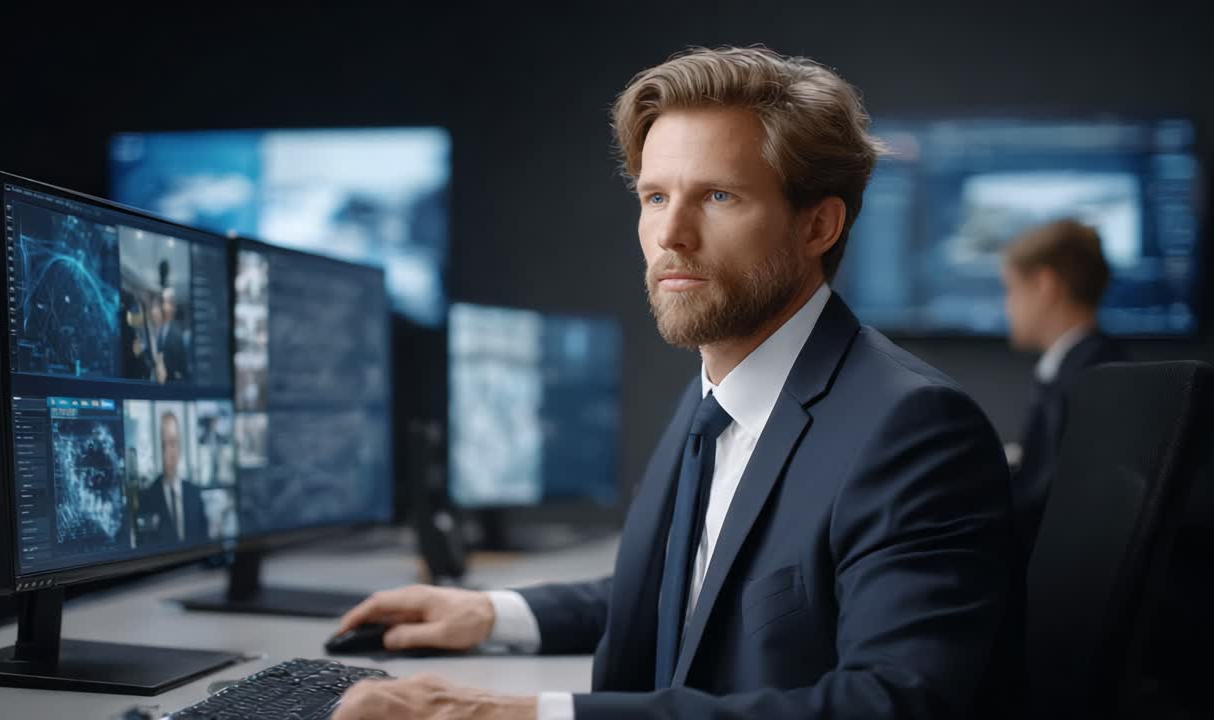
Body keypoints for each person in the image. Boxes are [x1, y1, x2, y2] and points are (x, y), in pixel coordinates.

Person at [332, 47, 1022, 720]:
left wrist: (505, 714)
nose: (671, 234)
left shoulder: (912, 429)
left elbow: (891, 703)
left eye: (718, 196)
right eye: (655, 196)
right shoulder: (717, 394)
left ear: (819, 224)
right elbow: (695, 592)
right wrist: (493, 612)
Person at [1001, 218, 1124, 555]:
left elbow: (1042, 498)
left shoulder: (1086, 379)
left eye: (1010, 290)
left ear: (1044, 285)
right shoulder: (1089, 363)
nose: (1006, 307)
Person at [136, 410, 208, 545]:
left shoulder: (195, 494)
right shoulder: (146, 499)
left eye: (173, 443)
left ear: (180, 446)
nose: (169, 453)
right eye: (163, 445)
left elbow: (205, 543)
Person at [156, 286, 188, 383]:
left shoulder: (179, 330)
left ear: (175, 306)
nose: (166, 306)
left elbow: (181, 361)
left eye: (169, 302)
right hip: (162, 379)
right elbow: (160, 351)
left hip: (173, 380)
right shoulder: (162, 328)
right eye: (165, 302)